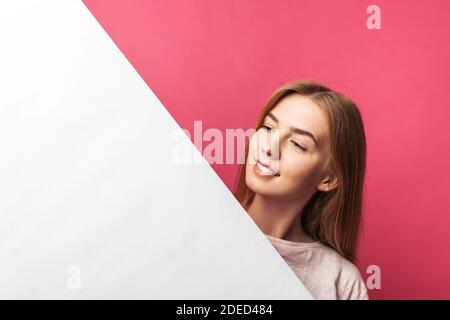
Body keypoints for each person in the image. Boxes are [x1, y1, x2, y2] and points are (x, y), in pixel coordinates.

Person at [234, 79, 369, 300]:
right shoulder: (199, 226)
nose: (269, 148)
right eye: (268, 128)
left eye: (297, 144)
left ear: (329, 178)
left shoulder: (341, 281)